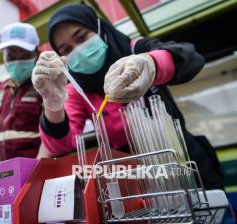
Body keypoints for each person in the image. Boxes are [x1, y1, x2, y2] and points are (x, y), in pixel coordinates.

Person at [31, 4, 224, 189]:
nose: (78, 50)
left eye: (82, 37)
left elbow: (189, 58)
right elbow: (61, 145)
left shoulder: (135, 50)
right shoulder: (76, 89)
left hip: (180, 156)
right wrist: (52, 104)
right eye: (66, 50)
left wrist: (151, 64)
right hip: (132, 174)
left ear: (100, 29)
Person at [0, 23, 48, 161]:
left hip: (37, 171)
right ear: (3, 58)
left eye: (24, 56)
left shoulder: (46, 84)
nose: (17, 62)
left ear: (36, 53)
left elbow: (56, 134)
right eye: (11, 56)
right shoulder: (0, 90)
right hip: (5, 174)